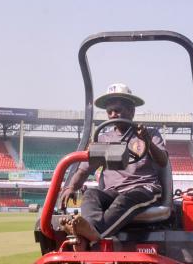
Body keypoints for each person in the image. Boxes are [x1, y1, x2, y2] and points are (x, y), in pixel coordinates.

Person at [57, 83, 168, 248]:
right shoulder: (103, 139)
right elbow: (84, 168)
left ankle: (89, 236)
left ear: (131, 111)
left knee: (124, 200)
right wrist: (71, 187)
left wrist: (147, 142)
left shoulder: (149, 134)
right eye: (110, 111)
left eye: (118, 110)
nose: (113, 115)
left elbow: (162, 161)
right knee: (91, 195)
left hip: (143, 188)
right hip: (113, 191)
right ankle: (88, 231)